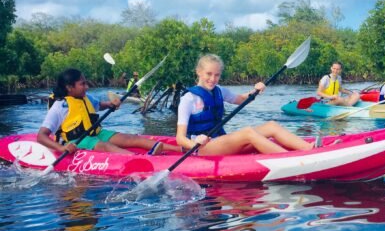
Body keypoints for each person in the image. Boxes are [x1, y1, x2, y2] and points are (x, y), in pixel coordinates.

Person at [176, 54, 314, 155]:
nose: (213, 79)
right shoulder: (189, 99)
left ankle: (310, 149)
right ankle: (290, 161)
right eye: (209, 74)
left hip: (219, 141)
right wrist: (195, 144)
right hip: (201, 148)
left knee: (271, 125)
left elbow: (241, 99)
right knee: (248, 132)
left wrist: (255, 91)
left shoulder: (219, 91)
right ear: (198, 72)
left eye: (217, 75)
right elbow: (180, 138)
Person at [37, 68, 182, 155]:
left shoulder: (86, 97)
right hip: (75, 140)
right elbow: (41, 136)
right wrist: (62, 149)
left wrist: (111, 104)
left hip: (96, 132)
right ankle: (140, 160)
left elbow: (100, 105)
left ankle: (180, 150)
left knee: (131, 138)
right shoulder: (60, 106)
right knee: (104, 146)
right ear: (69, 87)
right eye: (82, 84)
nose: (86, 86)